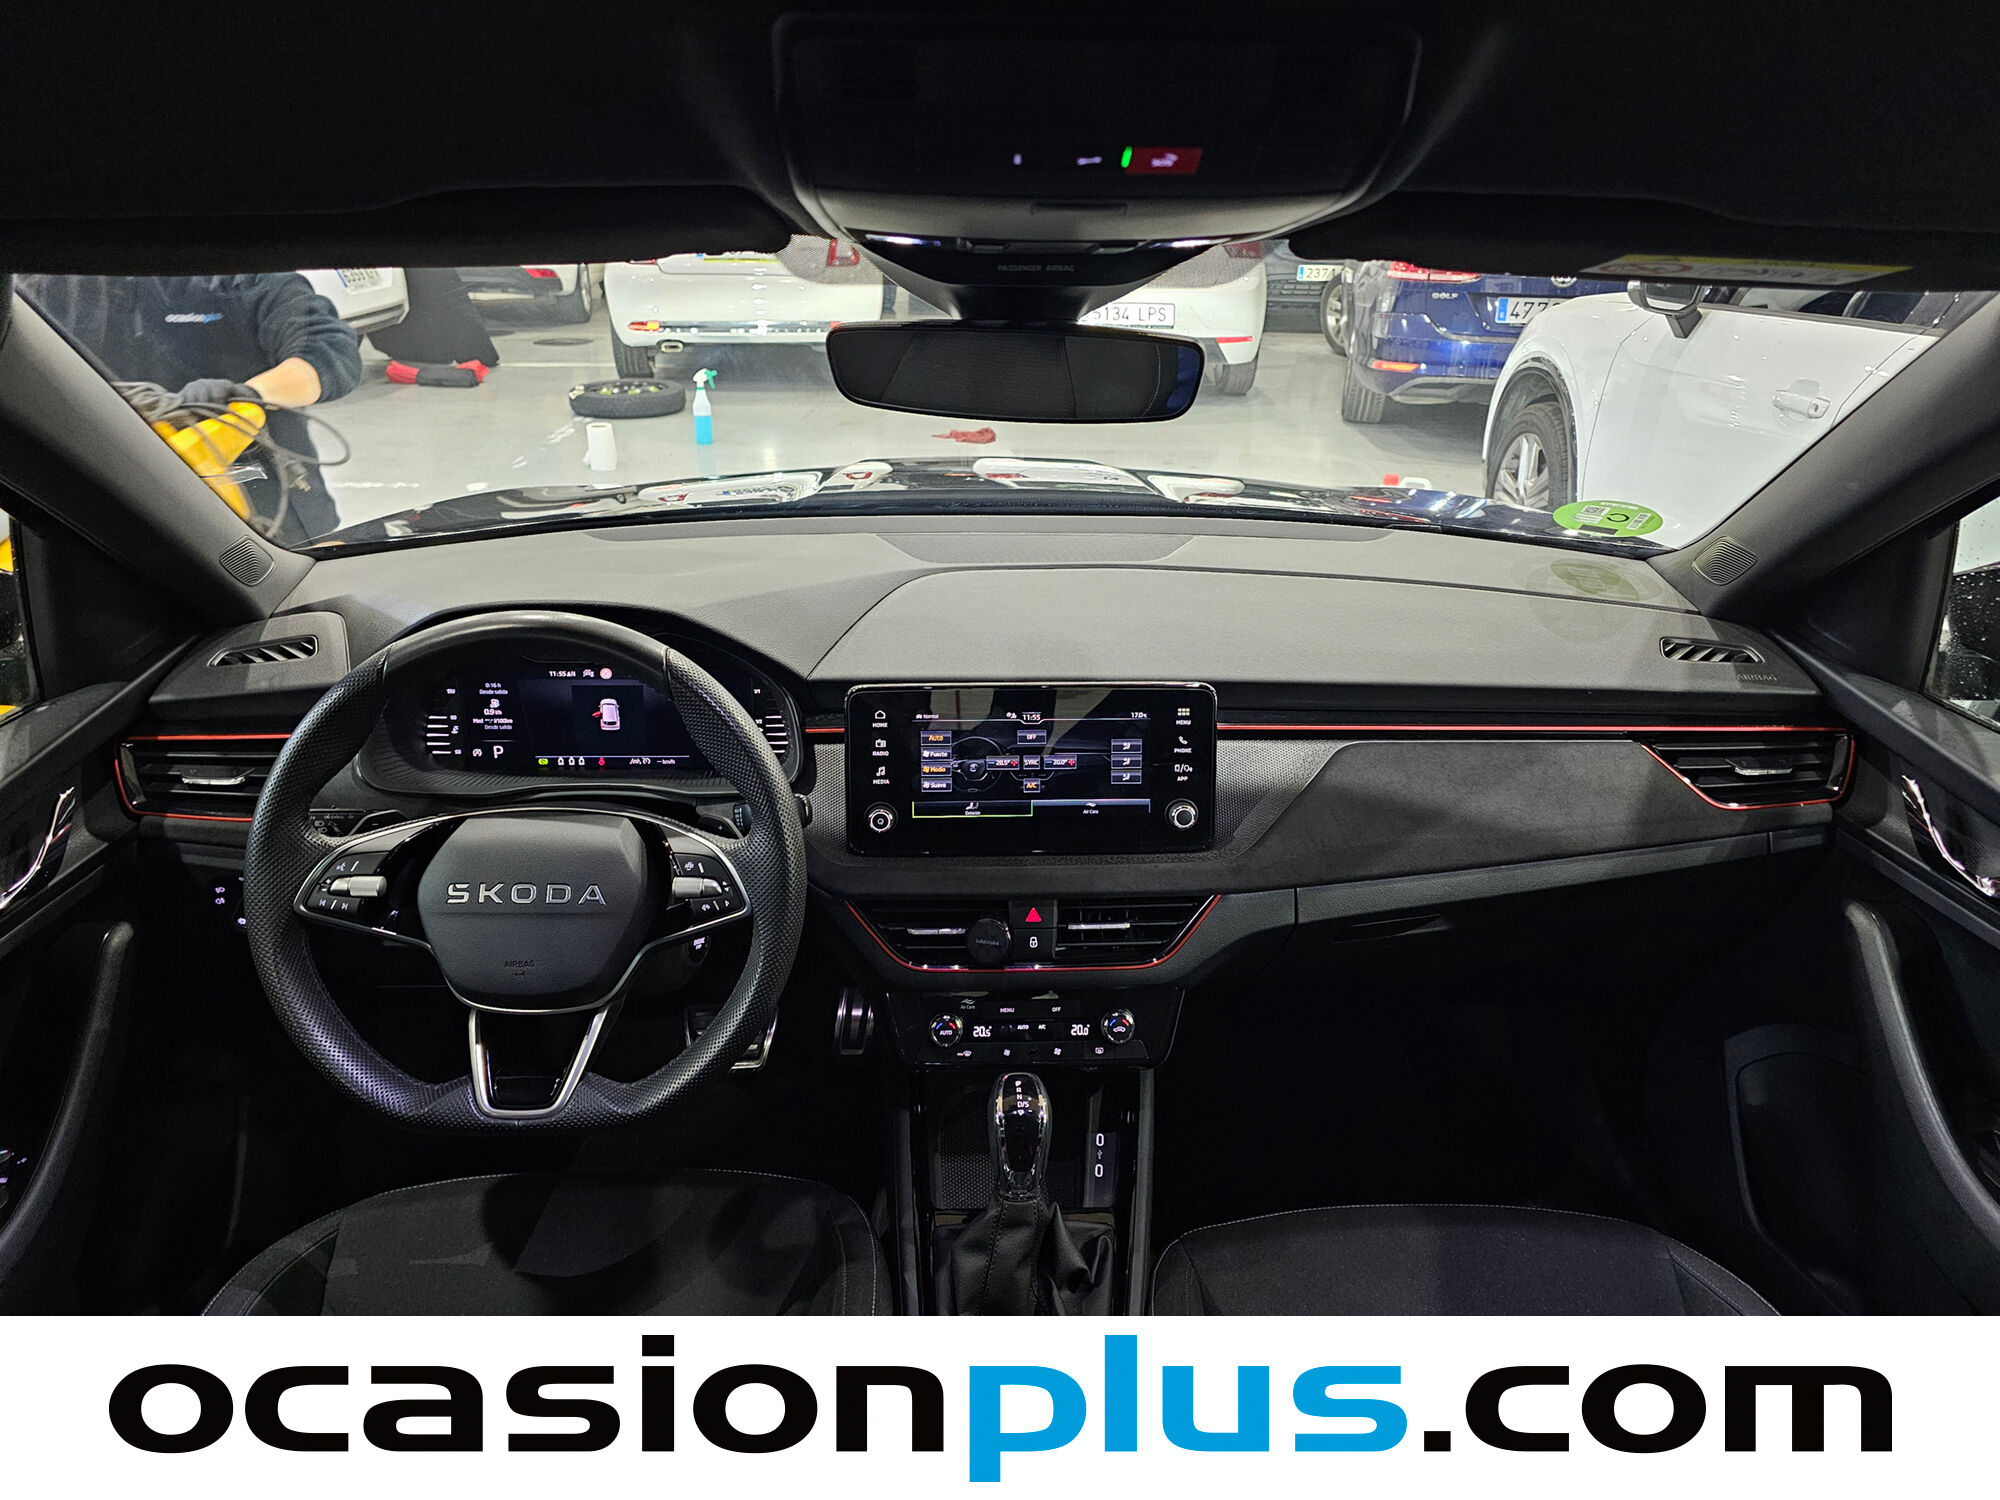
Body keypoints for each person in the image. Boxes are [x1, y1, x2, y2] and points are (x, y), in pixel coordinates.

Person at [15, 273, 361, 542]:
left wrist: (246, 394)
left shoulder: (242, 276)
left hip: (267, 512)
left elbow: (328, 353)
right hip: (111, 508)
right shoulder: (47, 285)